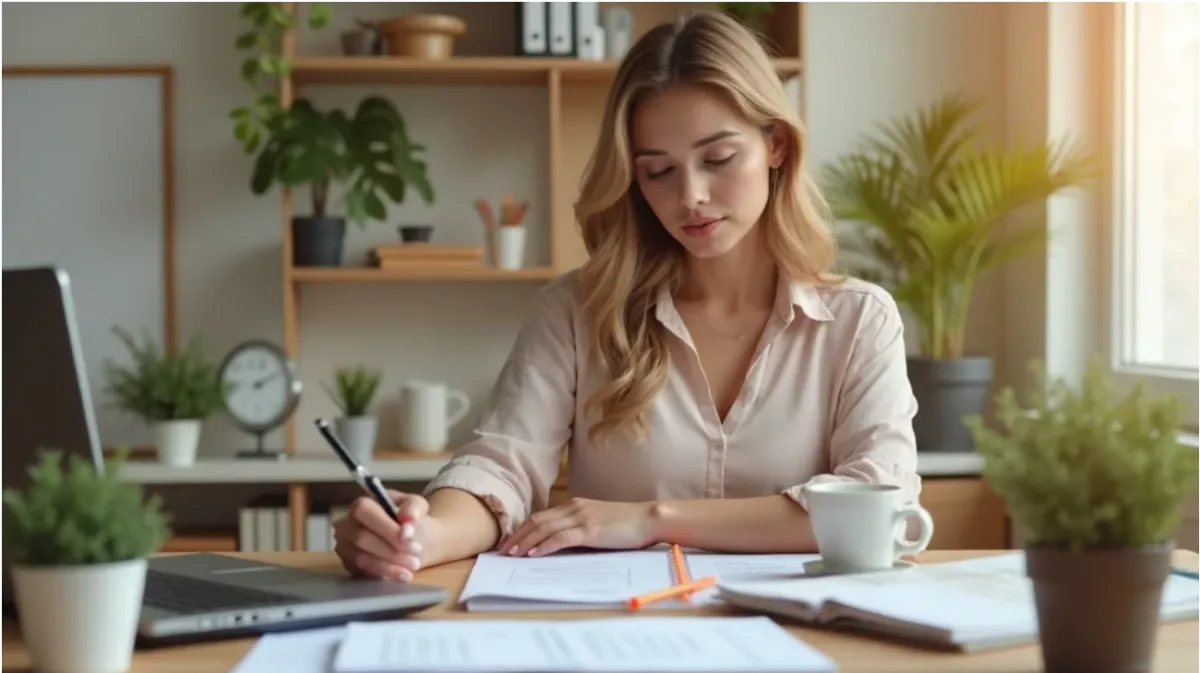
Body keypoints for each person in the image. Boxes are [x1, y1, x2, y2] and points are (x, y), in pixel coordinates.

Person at [333, 10, 922, 582]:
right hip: (623, 631)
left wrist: (649, 520)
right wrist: (422, 535)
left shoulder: (859, 321)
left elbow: (879, 499)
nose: (690, 195)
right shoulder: (575, 311)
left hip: (803, 636)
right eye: (657, 171)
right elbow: (500, 467)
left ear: (777, 147)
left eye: (718, 159)